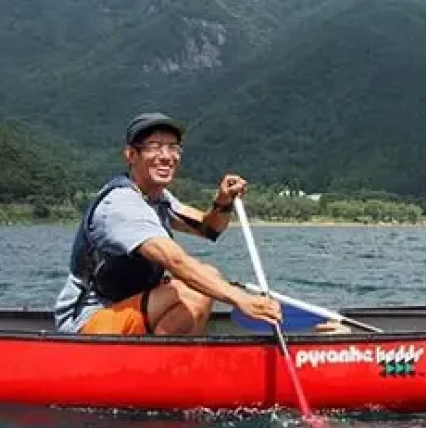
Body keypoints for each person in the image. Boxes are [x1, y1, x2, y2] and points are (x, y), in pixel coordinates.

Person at [53, 112, 282, 335]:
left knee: (208, 274)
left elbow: (209, 227)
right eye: (154, 146)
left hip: (128, 311)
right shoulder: (120, 205)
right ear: (131, 155)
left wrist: (222, 202)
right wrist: (239, 298)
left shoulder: (159, 199)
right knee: (188, 290)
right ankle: (161, 367)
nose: (166, 156)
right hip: (86, 325)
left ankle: (175, 363)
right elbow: (174, 260)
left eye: (173, 147)